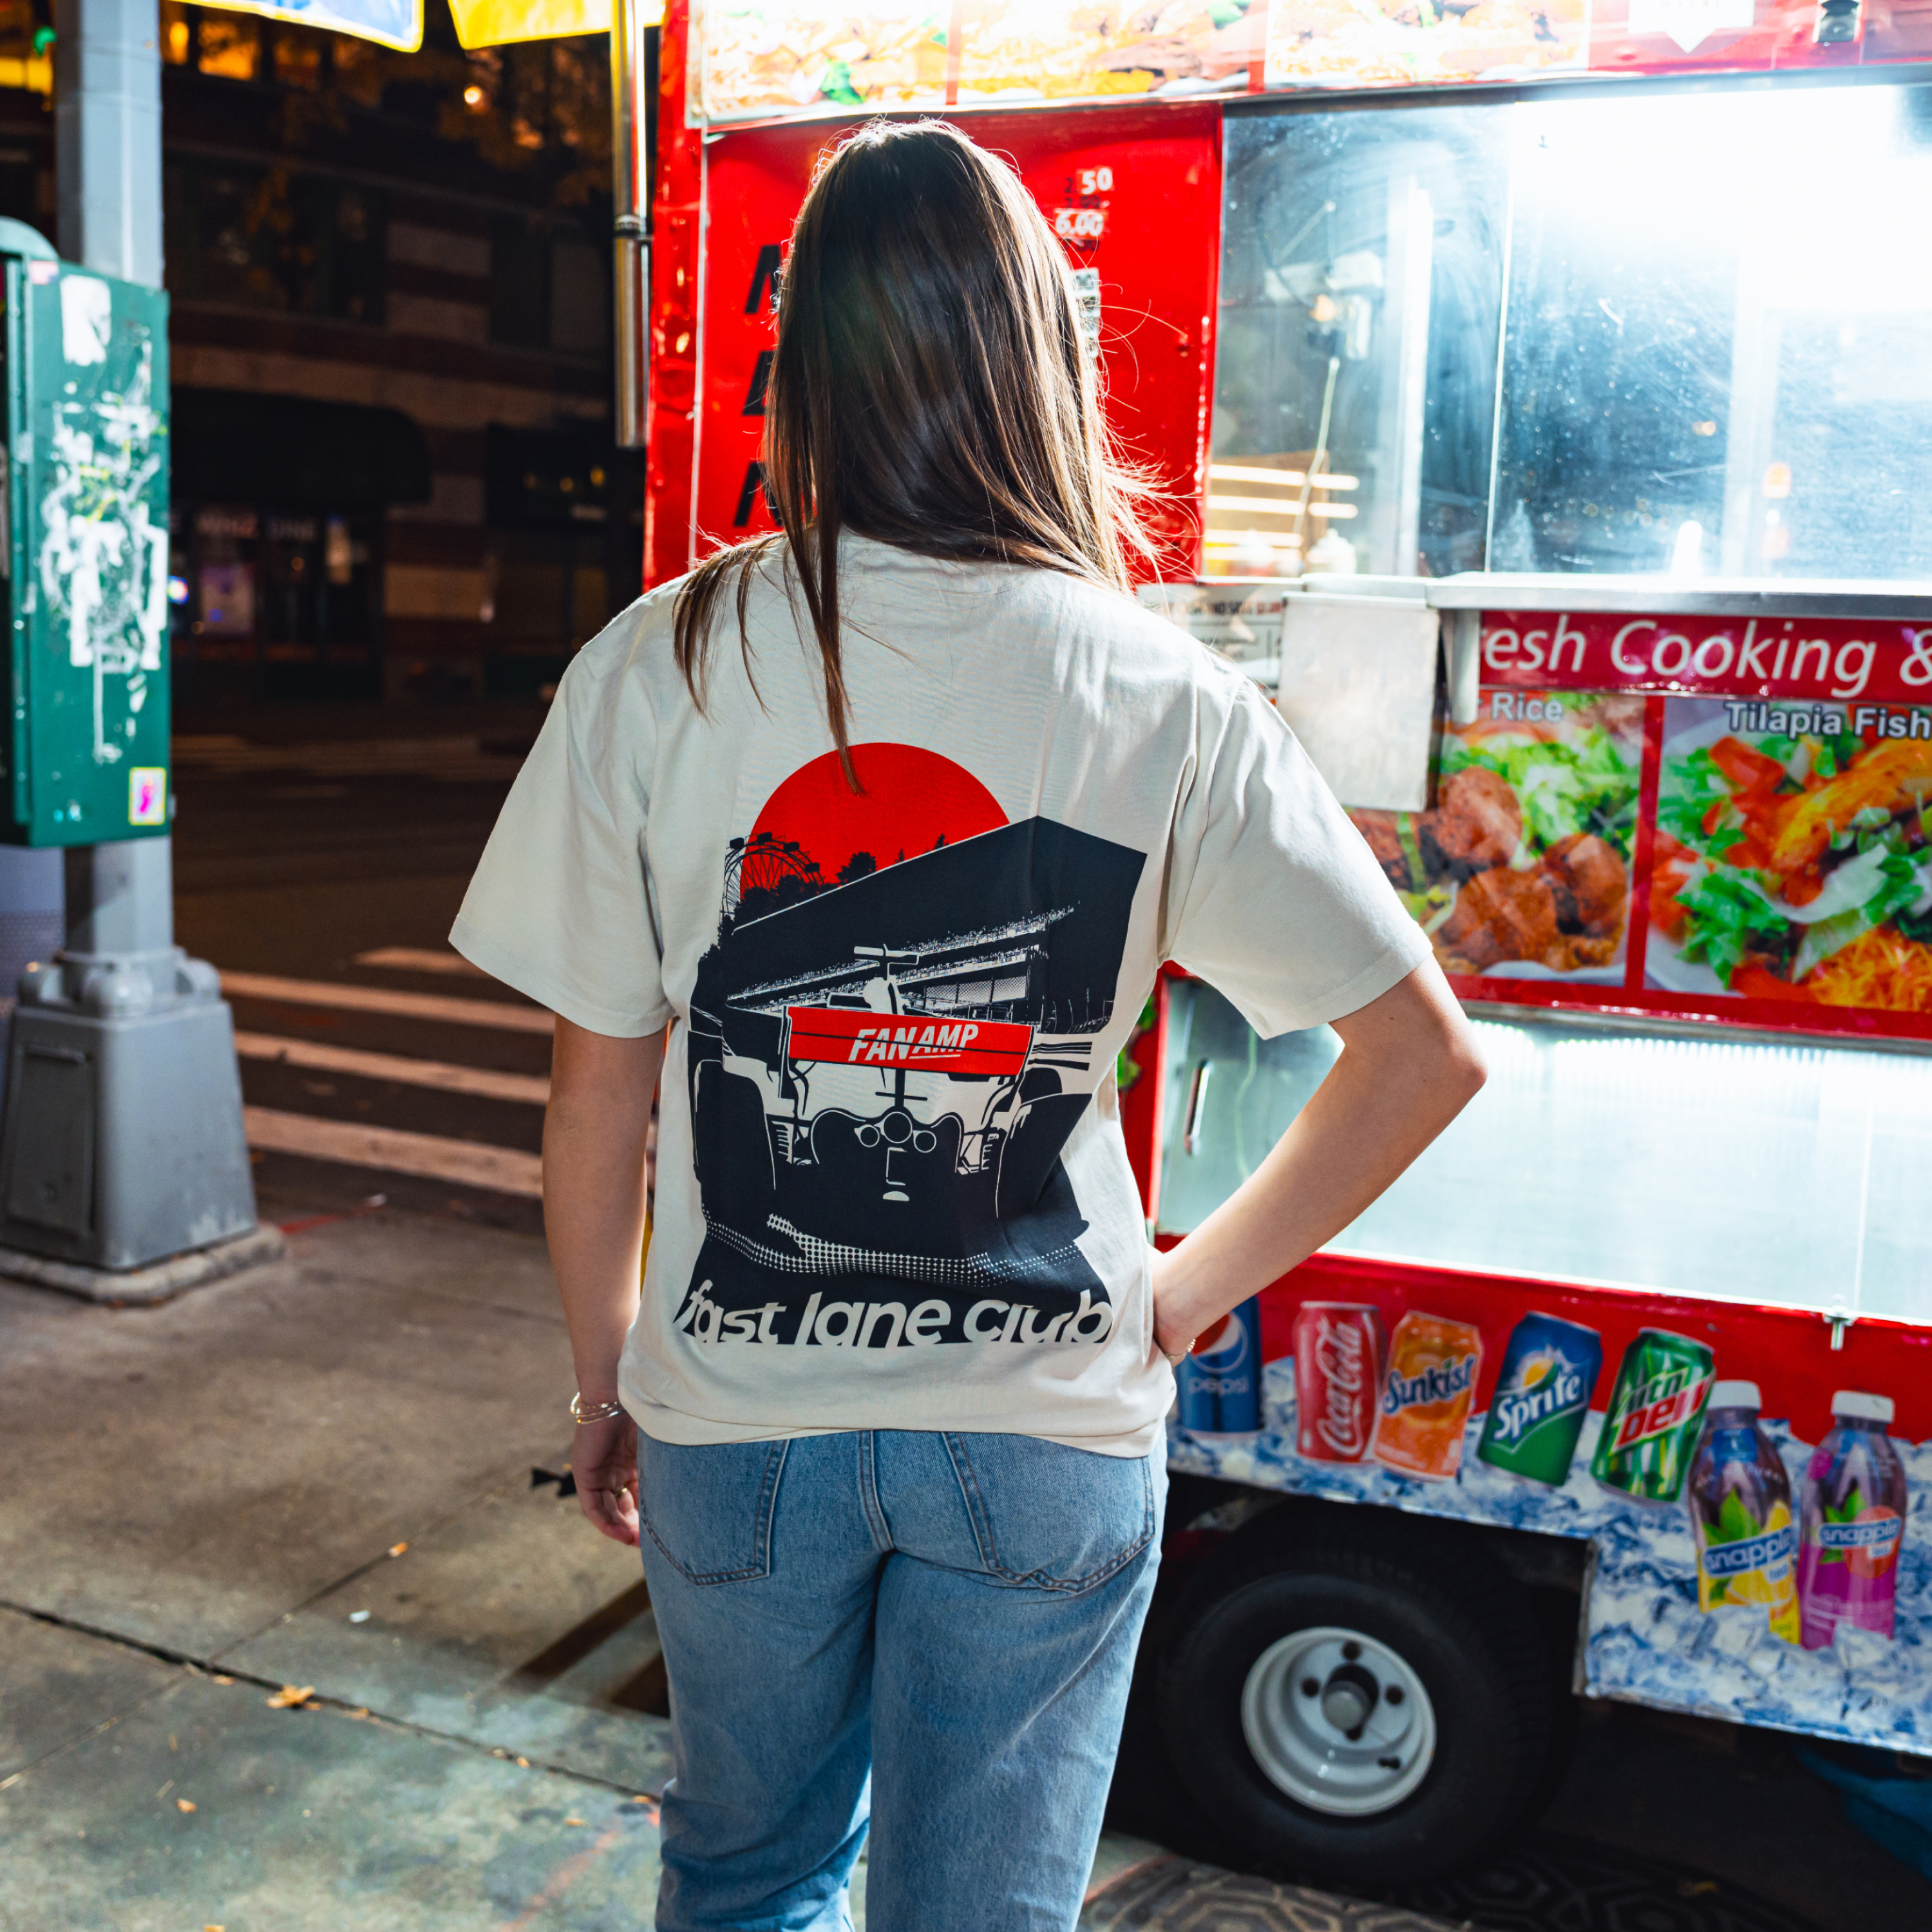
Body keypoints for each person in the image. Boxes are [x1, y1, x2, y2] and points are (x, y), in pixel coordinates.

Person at [452, 118, 1484, 1932]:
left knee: (752, 1871)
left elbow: (592, 1102)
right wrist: (1177, 1286)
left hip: (737, 1421)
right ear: (1042, 357)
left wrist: (606, 1372)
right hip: (1047, 1424)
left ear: (805, 366)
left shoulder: (661, 661)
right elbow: (1420, 1054)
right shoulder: (1159, 684)